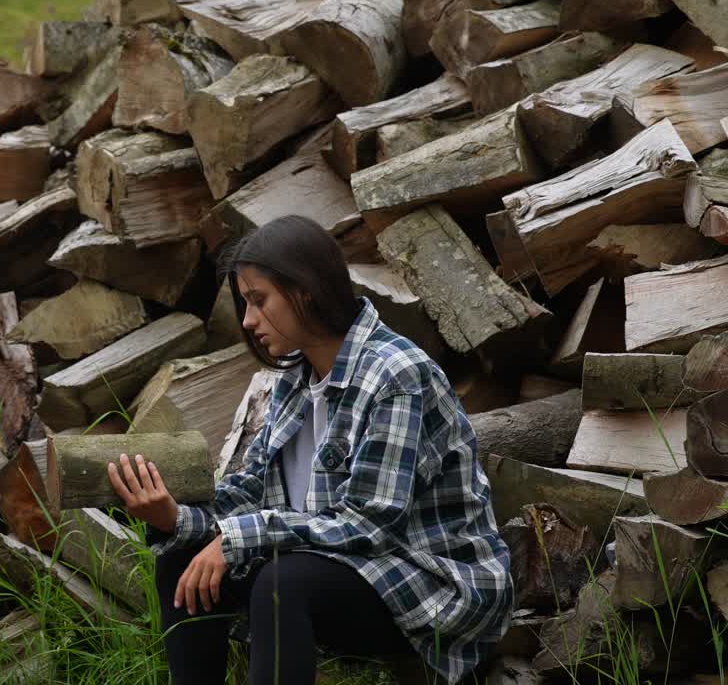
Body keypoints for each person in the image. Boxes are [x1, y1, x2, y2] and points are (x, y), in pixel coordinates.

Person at [106, 215, 514, 685]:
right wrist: (175, 519)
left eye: (259, 300)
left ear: (304, 290)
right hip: (338, 571)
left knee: (282, 582)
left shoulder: (396, 374)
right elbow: (251, 490)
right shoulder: (293, 382)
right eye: (244, 303)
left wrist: (238, 538)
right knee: (180, 560)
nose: (247, 320)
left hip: (428, 586)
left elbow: (368, 525)